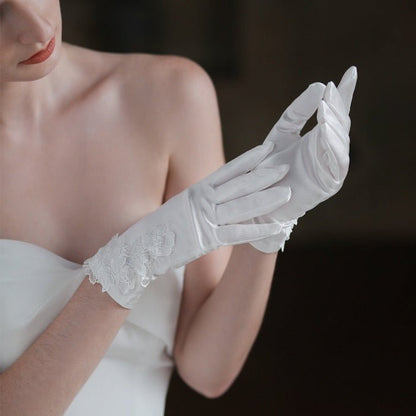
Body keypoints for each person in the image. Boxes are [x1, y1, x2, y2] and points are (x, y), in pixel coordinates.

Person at [0, 1, 357, 415]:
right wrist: (128, 266)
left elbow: (207, 370)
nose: (36, 25)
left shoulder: (170, 95)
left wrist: (269, 215)